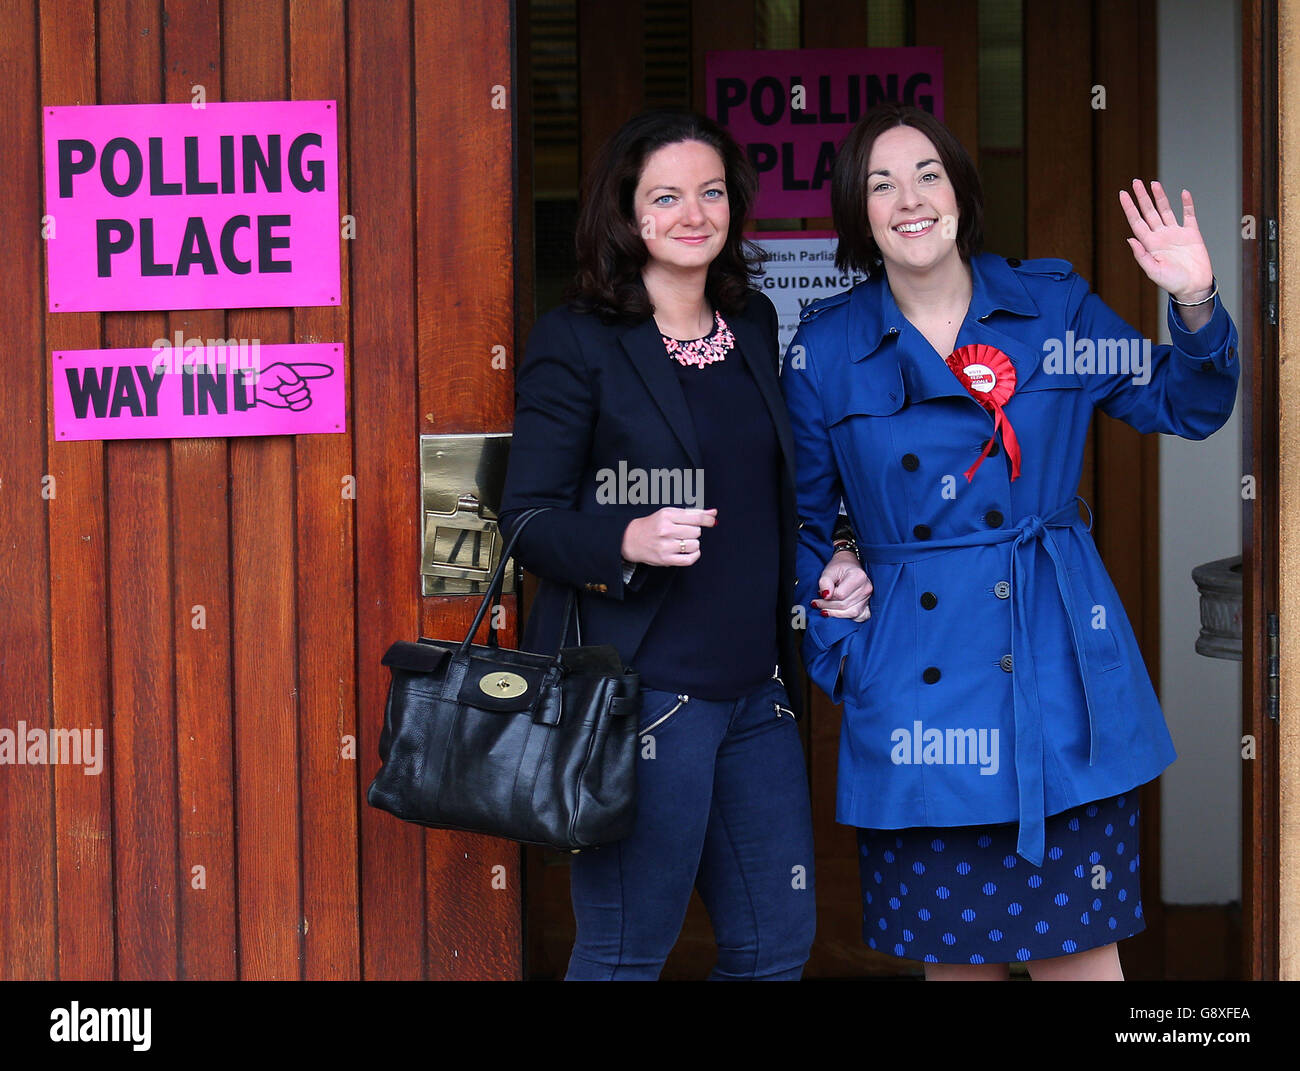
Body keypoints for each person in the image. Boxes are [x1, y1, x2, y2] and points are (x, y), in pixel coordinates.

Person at [781, 103, 1238, 981]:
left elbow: (1187, 404)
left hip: (1056, 674)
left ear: (960, 193)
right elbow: (799, 527)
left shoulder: (1050, 306)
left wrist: (1192, 299)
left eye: (927, 175)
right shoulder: (826, 347)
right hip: (918, 695)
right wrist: (845, 639)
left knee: (1083, 963)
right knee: (959, 965)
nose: (908, 198)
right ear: (858, 211)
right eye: (880, 183)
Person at [498, 109, 870, 980]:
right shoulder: (578, 341)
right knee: (627, 952)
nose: (692, 213)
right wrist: (624, 534)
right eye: (665, 196)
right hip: (643, 700)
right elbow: (526, 519)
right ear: (626, 214)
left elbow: (784, 491)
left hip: (758, 696)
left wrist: (839, 551)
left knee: (775, 946)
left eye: (710, 193)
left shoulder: (757, 325)